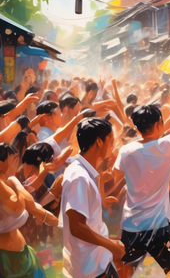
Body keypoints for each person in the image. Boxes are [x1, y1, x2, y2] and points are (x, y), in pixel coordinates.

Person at [113, 74, 170, 277]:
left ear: (137, 128)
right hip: (161, 227)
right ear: (160, 124)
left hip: (132, 226)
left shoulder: (126, 151)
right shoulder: (166, 145)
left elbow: (115, 176)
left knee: (122, 275)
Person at [61, 118, 124, 278]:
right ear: (99, 142)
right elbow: (77, 227)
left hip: (96, 262)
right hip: (91, 268)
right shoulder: (79, 177)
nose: (114, 144)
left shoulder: (80, 170)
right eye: (111, 139)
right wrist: (112, 245)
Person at [0, 142, 58, 278]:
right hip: (7, 261)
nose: (17, 164)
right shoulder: (7, 183)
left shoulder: (7, 183)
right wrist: (14, 180)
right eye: (13, 159)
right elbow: (17, 208)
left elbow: (29, 202)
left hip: (23, 254)